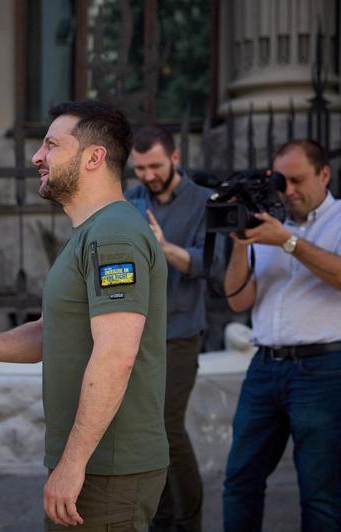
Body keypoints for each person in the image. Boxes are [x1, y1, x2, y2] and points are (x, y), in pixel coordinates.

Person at [0, 101, 169, 531]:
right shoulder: (93, 232)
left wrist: (72, 464)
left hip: (108, 468)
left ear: (93, 157)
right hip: (96, 465)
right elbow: (51, 334)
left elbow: (116, 355)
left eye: (51, 145)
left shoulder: (113, 235)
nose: (37, 156)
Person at [222, 139, 341, 531]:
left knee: (320, 492)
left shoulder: (337, 220)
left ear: (324, 174)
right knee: (239, 481)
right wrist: (240, 244)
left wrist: (288, 243)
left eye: (297, 180)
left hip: (322, 369)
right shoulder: (270, 224)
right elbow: (239, 301)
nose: (288, 190)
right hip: (264, 367)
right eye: (281, 181)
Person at [125, 125, 212, 531]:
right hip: (137, 335)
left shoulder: (204, 202)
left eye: (155, 166)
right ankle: (159, 520)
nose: (148, 175)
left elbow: (209, 264)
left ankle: (189, 521)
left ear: (175, 158)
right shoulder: (130, 200)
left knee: (167, 427)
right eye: (140, 168)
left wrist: (163, 248)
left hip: (179, 334)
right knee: (145, 432)